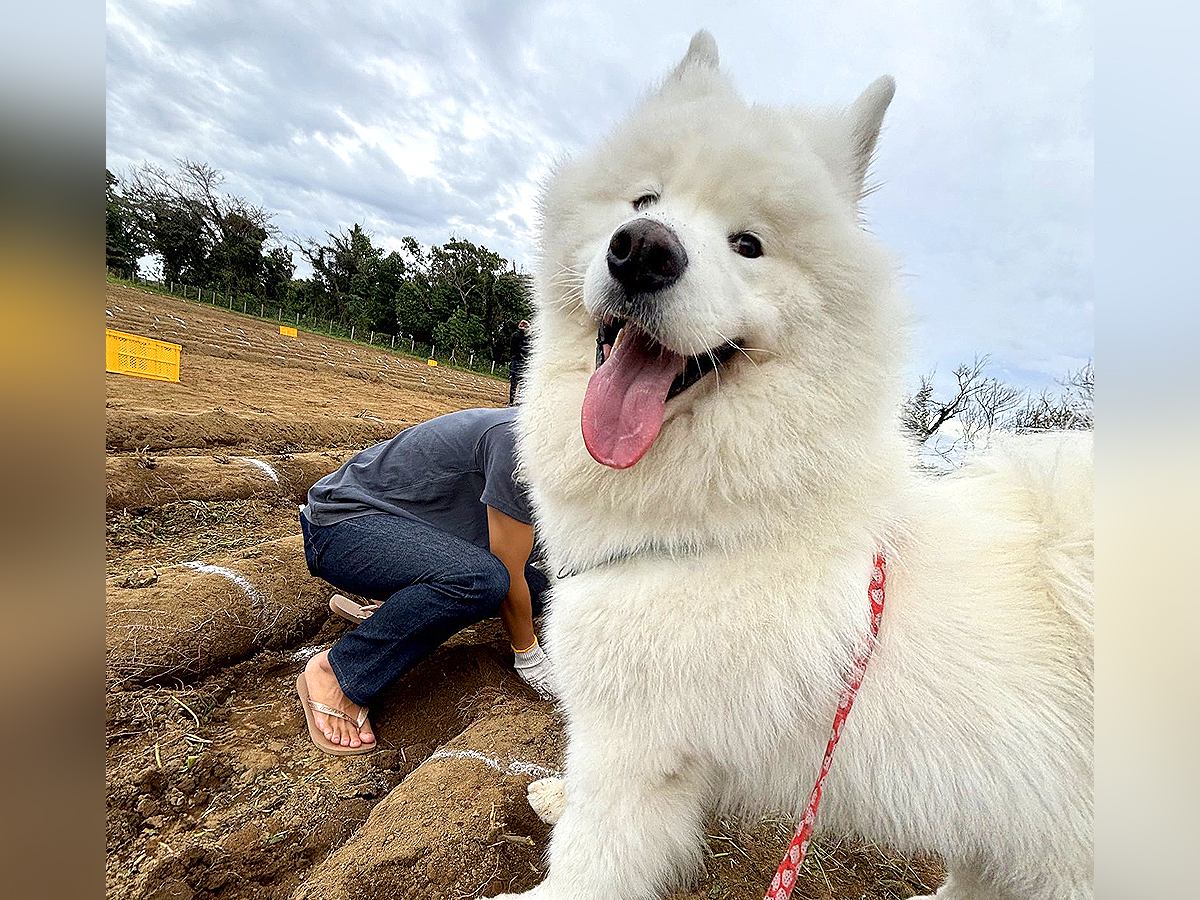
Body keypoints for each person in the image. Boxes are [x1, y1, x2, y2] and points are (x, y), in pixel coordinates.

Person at [295, 406, 552, 754]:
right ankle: (338, 671)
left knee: (542, 592)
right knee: (484, 581)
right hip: (341, 523)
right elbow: (509, 570)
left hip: (405, 525)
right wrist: (529, 656)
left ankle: (400, 609)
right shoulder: (520, 443)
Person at [508, 319, 530, 405]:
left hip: (523, 362)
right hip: (517, 361)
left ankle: (518, 402)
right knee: (514, 382)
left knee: (522, 383)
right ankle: (512, 401)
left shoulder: (528, 337)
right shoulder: (516, 336)